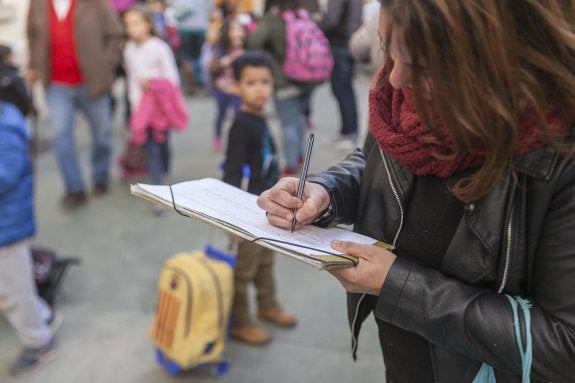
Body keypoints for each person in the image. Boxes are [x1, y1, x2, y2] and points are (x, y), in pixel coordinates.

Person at [256, 1, 575, 382]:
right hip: (406, 358)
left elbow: (564, 345)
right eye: (388, 50)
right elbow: (375, 160)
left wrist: (399, 286)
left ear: (493, 57)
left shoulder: (559, 154)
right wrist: (327, 191)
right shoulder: (399, 103)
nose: (395, 80)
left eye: (421, 66)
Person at [223, 52, 296, 346]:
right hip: (247, 213)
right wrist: (230, 218)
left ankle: (268, 306)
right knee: (243, 271)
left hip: (267, 210)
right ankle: (241, 321)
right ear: (237, 86)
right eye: (250, 83)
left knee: (266, 262)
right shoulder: (241, 124)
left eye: (265, 82)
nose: (260, 89)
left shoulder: (259, 118)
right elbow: (230, 172)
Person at [26, 0, 123, 210]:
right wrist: (34, 66)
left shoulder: (96, 3)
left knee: (102, 136)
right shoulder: (38, 4)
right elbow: (32, 35)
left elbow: (115, 35)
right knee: (61, 136)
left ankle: (100, 176)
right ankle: (74, 187)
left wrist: (105, 64)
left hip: (93, 82)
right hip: (57, 84)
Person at [0, 102, 62, 376]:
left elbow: (6, 175)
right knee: (14, 285)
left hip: (6, 227)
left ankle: (39, 343)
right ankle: (43, 313)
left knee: (12, 291)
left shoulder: (6, 127)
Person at [123, 5, 187, 198]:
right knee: (150, 146)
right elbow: (132, 79)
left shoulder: (160, 47)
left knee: (162, 142)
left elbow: (172, 78)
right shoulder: (128, 49)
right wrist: (136, 106)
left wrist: (155, 87)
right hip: (143, 107)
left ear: (148, 24)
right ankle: (158, 187)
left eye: (135, 23)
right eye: (127, 24)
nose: (131, 28)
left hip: (160, 106)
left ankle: (164, 170)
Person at [247, 0, 314, 176]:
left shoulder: (274, 18)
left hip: (285, 79)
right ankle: (299, 155)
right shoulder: (302, 14)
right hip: (308, 79)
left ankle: (290, 166)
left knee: (288, 123)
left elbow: (253, 41)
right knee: (298, 118)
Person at [316, 0, 363, 150]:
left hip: (339, 43)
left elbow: (332, 20)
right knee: (346, 89)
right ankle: (350, 131)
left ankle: (348, 132)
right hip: (348, 42)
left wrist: (316, 24)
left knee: (342, 90)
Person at [208, 19, 246, 152]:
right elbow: (211, 68)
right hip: (222, 87)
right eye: (233, 29)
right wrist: (222, 63)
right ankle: (218, 138)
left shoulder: (245, 47)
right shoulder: (219, 47)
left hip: (238, 89)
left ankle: (238, 140)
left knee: (239, 115)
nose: (237, 32)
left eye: (239, 29)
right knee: (221, 114)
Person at [171, 0, 213, 94]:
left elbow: (173, 9)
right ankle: (204, 84)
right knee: (202, 57)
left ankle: (191, 86)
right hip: (201, 28)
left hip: (185, 29)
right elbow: (210, 9)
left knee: (187, 58)